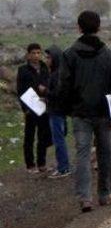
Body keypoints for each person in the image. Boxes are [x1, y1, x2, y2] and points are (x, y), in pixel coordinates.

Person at [58, 11, 111, 212]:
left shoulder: (69, 54)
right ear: (99, 27)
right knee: (105, 153)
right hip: (104, 113)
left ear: (78, 28)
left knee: (83, 154)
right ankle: (105, 194)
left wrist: (66, 108)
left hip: (80, 113)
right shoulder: (109, 54)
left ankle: (85, 198)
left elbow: (64, 86)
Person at [16, 43, 51, 174]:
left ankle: (42, 163)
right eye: (33, 53)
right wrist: (25, 109)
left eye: (38, 53)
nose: (36, 55)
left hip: (43, 107)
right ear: (28, 55)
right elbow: (20, 91)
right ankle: (30, 165)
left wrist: (47, 97)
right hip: (30, 108)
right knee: (29, 137)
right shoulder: (23, 70)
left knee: (43, 136)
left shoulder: (45, 68)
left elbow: (49, 85)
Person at [44, 45, 70, 178]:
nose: (47, 60)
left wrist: (45, 92)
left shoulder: (57, 74)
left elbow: (58, 94)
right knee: (60, 139)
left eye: (49, 57)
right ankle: (63, 165)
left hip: (57, 112)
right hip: (57, 110)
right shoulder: (56, 73)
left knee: (58, 140)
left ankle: (63, 168)